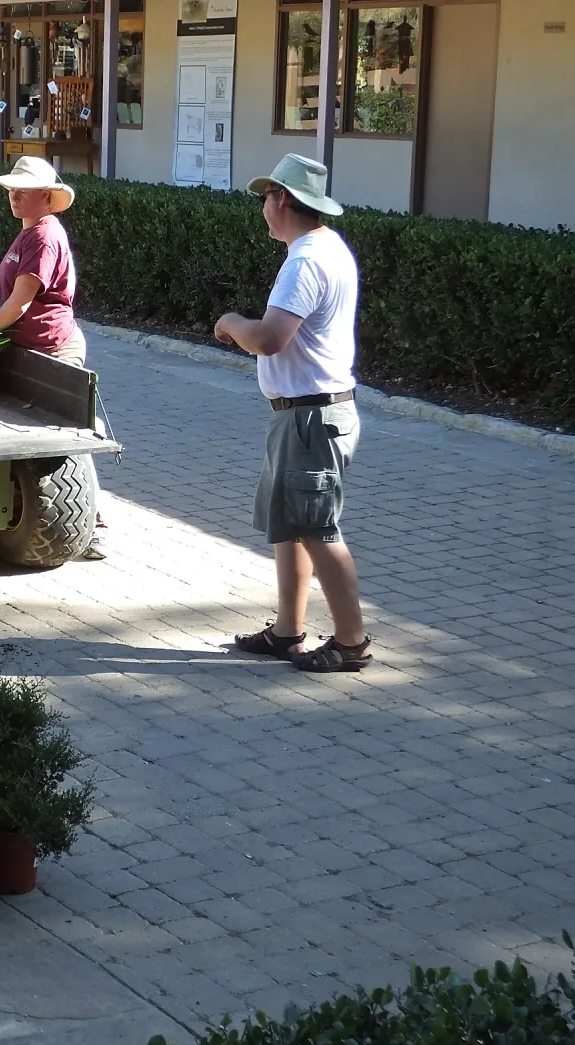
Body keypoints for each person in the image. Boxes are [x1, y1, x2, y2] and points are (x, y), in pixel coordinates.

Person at [214, 154, 372, 673]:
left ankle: (352, 644)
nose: (263, 207)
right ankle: (287, 631)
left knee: (318, 530)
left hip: (312, 418)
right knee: (292, 525)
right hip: (305, 415)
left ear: (282, 199)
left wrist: (231, 322)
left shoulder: (305, 260)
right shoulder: (326, 248)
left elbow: (268, 338)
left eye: (266, 197)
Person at [0, 155, 107, 559]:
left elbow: (19, 304)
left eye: (24, 191)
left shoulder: (45, 235)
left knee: (68, 437)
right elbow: (23, 281)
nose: (14, 196)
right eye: (11, 190)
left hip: (53, 350)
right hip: (30, 348)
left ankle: (92, 525)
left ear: (46, 198)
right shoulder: (30, 232)